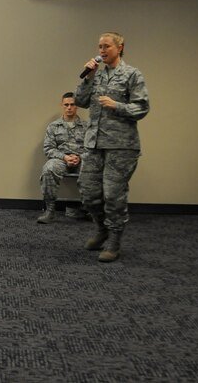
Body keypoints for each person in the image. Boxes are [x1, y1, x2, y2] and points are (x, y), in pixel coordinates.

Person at [76, 32, 150, 262]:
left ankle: (114, 241)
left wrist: (117, 105)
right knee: (88, 193)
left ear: (120, 48)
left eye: (106, 46)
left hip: (121, 146)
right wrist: (88, 78)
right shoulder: (95, 74)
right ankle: (101, 229)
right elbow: (80, 101)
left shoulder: (132, 74)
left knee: (113, 196)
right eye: (99, 46)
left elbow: (142, 108)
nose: (102, 50)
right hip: (94, 143)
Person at [37, 92, 89, 224]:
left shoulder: (87, 127)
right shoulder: (53, 126)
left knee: (93, 168)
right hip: (61, 160)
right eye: (66, 105)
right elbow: (48, 148)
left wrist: (80, 157)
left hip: (82, 160)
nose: (69, 107)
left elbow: (92, 149)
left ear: (77, 106)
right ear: (62, 106)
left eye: (72, 104)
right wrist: (65, 157)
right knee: (48, 168)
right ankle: (50, 211)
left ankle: (88, 209)